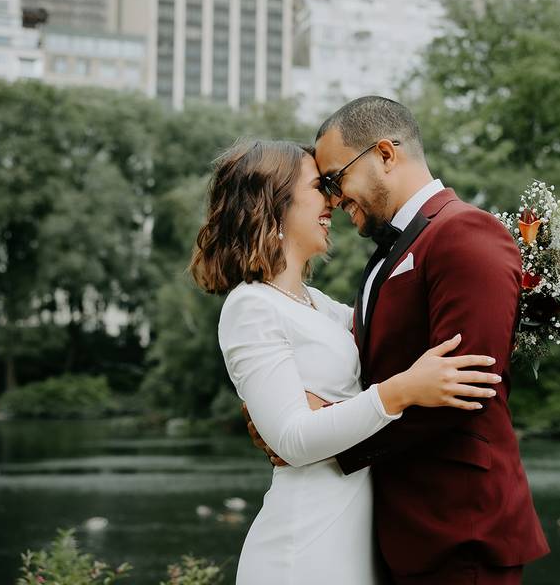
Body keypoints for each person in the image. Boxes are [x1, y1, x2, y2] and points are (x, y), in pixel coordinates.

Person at [246, 96, 551, 584]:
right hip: (401, 531)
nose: (331, 197)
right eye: (322, 186)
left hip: (458, 529)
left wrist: (325, 443)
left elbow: (462, 392)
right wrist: (290, 416)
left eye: (334, 178)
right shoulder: (392, 250)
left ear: (385, 154)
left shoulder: (465, 233)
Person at [190, 138, 503, 584]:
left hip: (357, 539)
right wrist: (402, 391)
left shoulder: (319, 305)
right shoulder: (251, 307)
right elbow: (295, 439)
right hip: (305, 547)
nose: (333, 202)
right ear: (274, 203)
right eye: (320, 187)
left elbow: (402, 333)